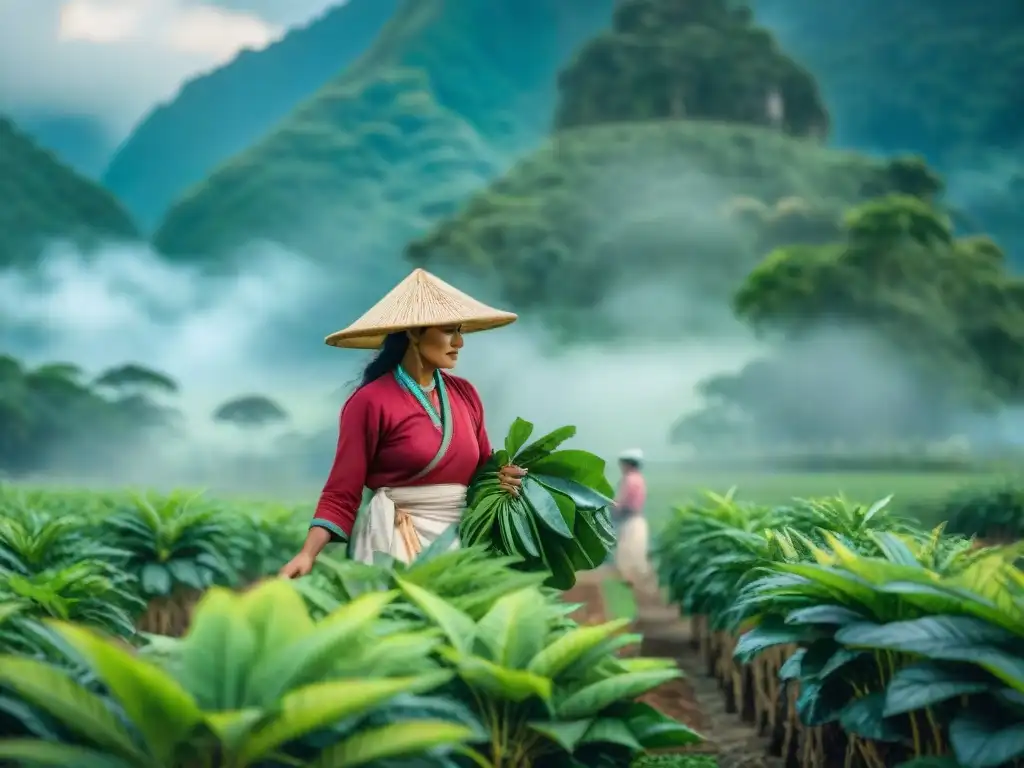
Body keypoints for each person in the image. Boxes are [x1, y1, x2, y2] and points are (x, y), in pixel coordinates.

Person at [279, 268, 527, 577]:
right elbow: (341, 492)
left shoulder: (465, 394)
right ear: (413, 332)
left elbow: (483, 476)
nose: (460, 342)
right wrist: (307, 554)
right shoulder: (370, 402)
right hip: (395, 540)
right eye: (449, 330)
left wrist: (502, 479)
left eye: (460, 330)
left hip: (463, 545)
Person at [613, 448, 649, 585]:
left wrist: (611, 507)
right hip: (635, 518)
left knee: (628, 551)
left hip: (630, 519)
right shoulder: (639, 478)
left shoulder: (629, 480)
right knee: (636, 551)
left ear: (628, 464)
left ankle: (632, 580)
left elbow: (623, 501)